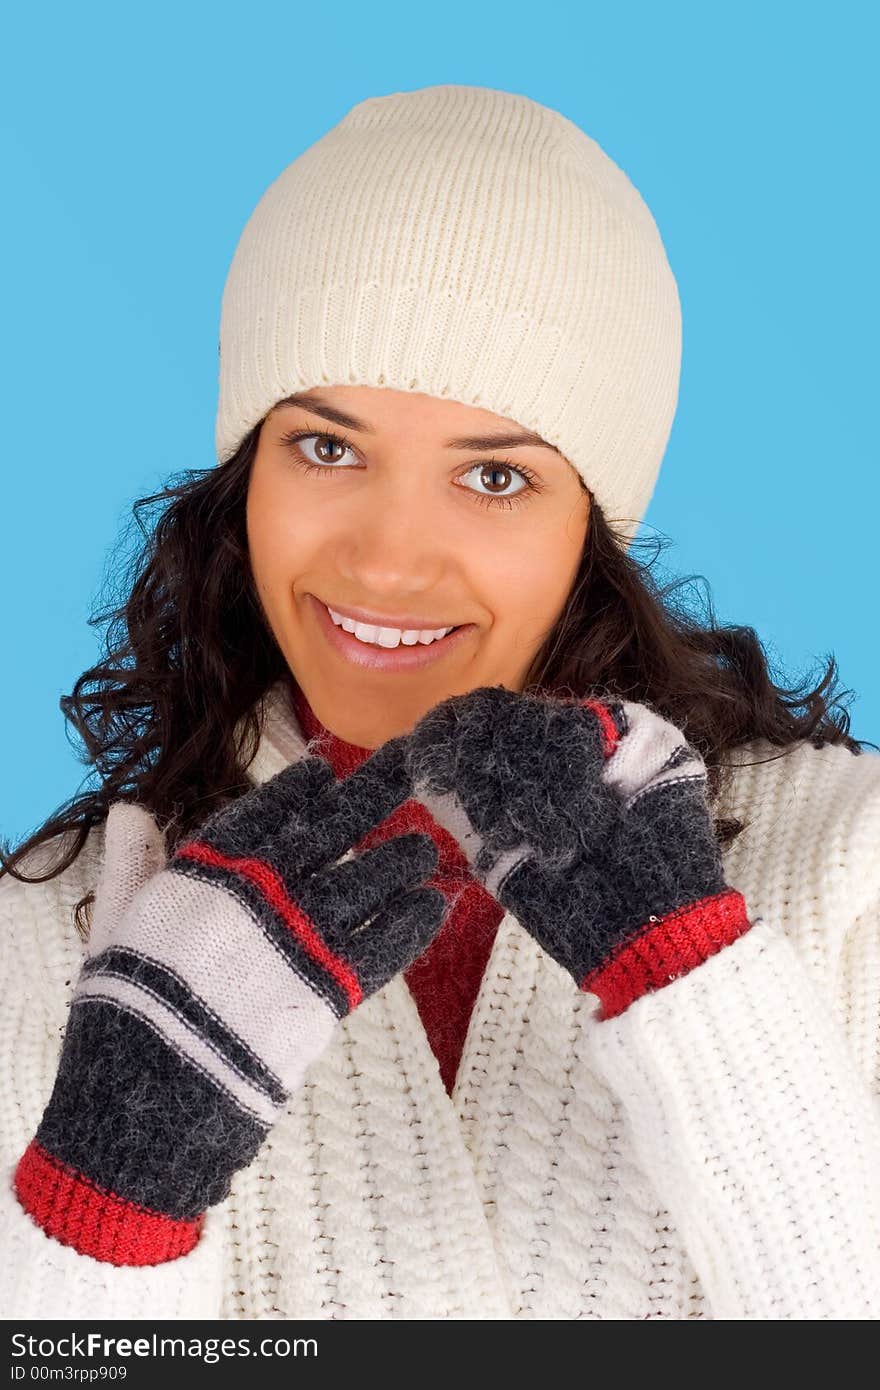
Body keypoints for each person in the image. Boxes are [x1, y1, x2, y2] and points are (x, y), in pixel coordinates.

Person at [2, 84, 879, 1322]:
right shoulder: (60, 932)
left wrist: (693, 981)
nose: (388, 561)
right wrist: (108, 1203)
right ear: (241, 475)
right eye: (325, 447)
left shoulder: (846, 864)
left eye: (495, 473)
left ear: (595, 522)